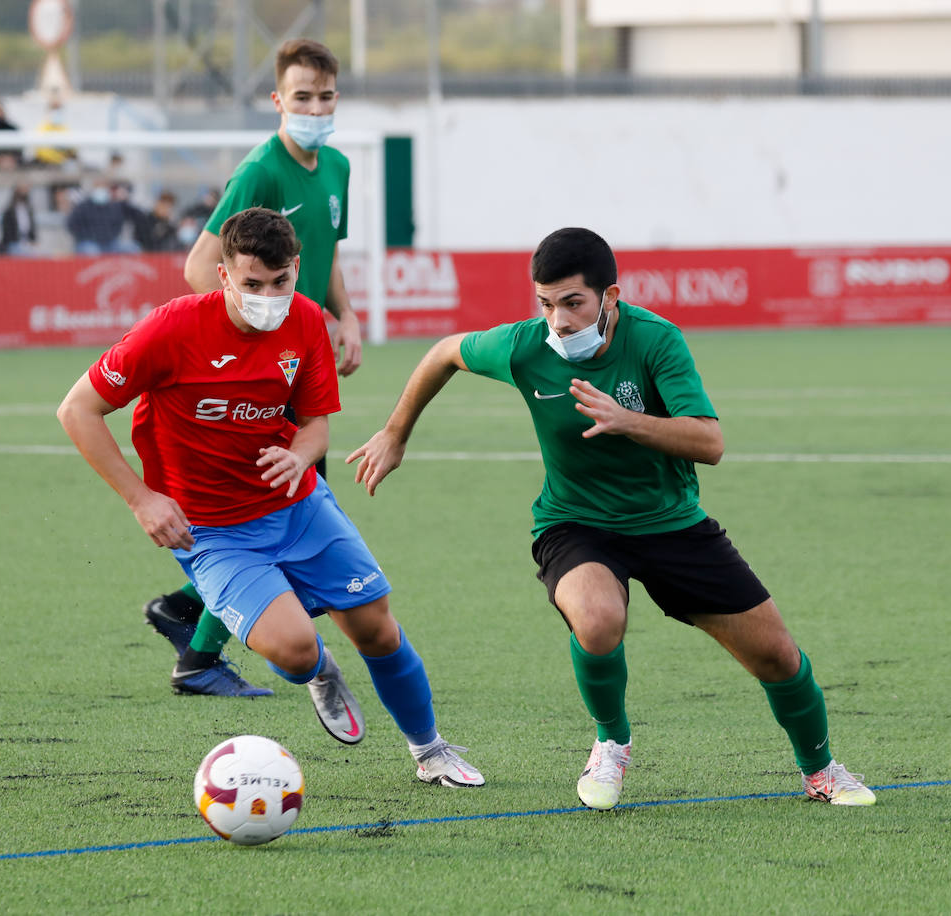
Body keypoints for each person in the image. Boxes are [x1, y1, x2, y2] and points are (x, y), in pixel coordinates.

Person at [347, 227, 876, 810]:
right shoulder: (524, 346)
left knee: (777, 655)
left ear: (610, 296)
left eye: (573, 303)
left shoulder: (656, 341)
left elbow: (710, 442)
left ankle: (821, 769)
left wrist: (629, 422)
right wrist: (395, 432)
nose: (559, 321)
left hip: (671, 522)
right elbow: (444, 353)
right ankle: (611, 742)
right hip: (576, 523)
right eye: (546, 304)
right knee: (597, 620)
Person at [56, 206, 484, 789]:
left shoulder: (305, 320)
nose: (268, 297)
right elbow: (77, 410)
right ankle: (320, 672)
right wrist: (141, 499)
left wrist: (301, 456)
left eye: (280, 282)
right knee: (295, 650)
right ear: (224, 275)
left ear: (296, 269)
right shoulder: (171, 329)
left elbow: (315, 426)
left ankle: (431, 751)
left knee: (378, 631)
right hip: (212, 531)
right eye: (252, 284)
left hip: (299, 508)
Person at [147, 38, 363, 698]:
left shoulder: (338, 166)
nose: (315, 109)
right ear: (278, 100)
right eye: (302, 97)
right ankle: (198, 648)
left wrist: (345, 317)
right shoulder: (259, 172)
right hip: (268, 375)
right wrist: (253, 341)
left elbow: (324, 255)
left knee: (285, 515)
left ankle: (189, 623)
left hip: (303, 362)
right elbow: (198, 268)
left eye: (325, 97)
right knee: (281, 517)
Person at [67, 177, 140, 255]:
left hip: (110, 242)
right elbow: (72, 224)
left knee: (132, 248)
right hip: (90, 242)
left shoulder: (114, 206)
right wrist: (85, 236)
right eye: (98, 186)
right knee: (91, 251)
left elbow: (133, 216)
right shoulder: (83, 206)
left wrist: (124, 200)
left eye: (103, 187)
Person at [0, 181, 38, 255]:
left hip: (27, 243)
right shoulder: (9, 211)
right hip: (14, 244)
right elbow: (7, 233)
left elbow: (32, 230)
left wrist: (32, 241)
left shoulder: (28, 210)